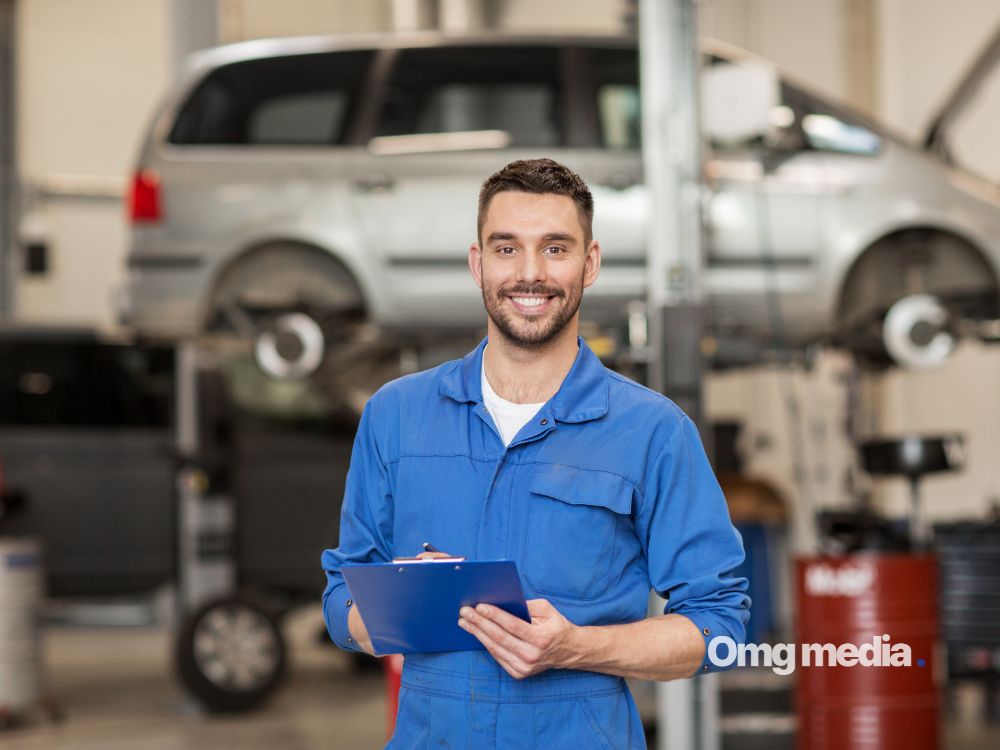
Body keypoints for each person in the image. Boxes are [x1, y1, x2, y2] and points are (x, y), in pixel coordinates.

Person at [322, 158, 749, 749]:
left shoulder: (653, 431)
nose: (529, 274)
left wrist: (580, 645)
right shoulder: (396, 417)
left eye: (554, 249)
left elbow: (720, 625)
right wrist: (406, 605)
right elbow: (342, 597)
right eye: (505, 249)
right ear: (477, 263)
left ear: (589, 263)